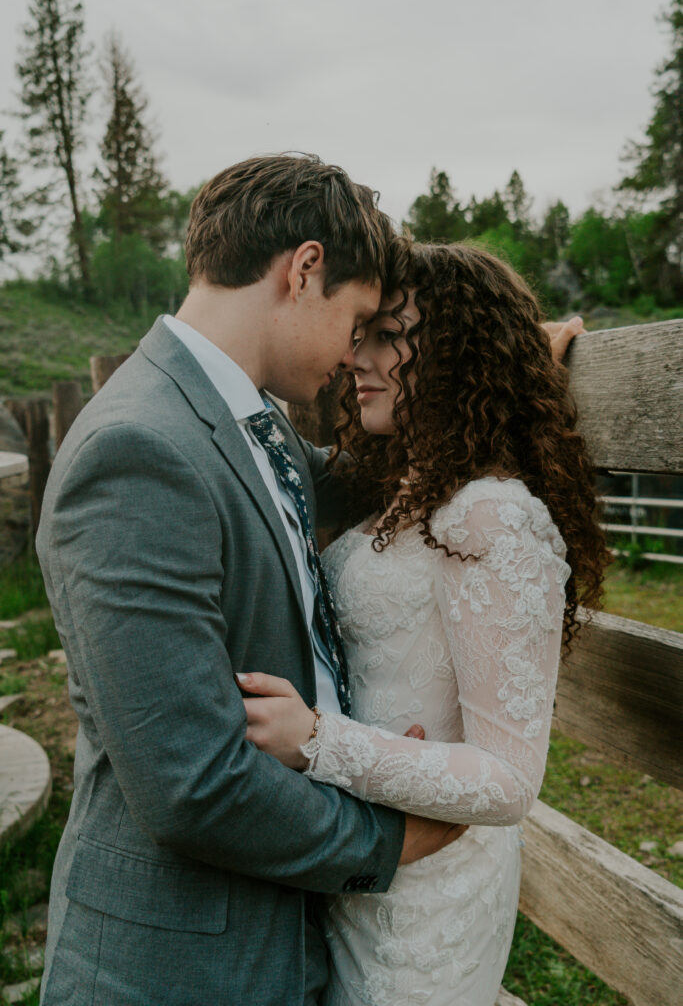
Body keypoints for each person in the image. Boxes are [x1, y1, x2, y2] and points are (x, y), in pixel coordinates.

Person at [35, 156, 471, 1006]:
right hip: (174, 971)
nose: (355, 356)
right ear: (304, 269)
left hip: (268, 942)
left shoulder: (245, 420)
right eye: (355, 321)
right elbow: (192, 784)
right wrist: (391, 837)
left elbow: (370, 478)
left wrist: (496, 365)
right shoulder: (138, 450)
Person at [237, 241, 609, 1006]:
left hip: (429, 894)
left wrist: (317, 741)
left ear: (453, 356)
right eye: (360, 332)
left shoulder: (492, 515)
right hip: (363, 857)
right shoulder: (408, 486)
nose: (355, 358)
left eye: (387, 335)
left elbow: (508, 781)